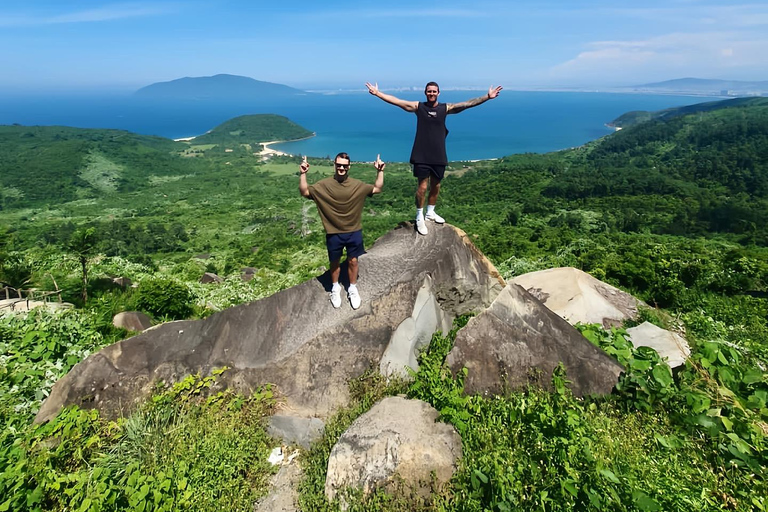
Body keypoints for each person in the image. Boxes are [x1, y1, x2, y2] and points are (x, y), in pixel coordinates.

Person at [365, 81, 502, 235]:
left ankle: (430, 212)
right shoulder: (419, 107)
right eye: (429, 91)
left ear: (438, 93)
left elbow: (466, 104)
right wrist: (378, 93)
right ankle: (419, 216)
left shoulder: (445, 108)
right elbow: (397, 102)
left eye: (434, 91)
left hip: (438, 154)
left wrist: (487, 97)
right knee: (422, 187)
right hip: (421, 154)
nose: (431, 94)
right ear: (425, 93)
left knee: (436, 186)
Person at [299, 152, 385, 309]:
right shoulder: (323, 185)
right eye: (339, 165)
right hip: (333, 232)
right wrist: (303, 173)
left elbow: (378, 188)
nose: (341, 168)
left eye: (344, 166)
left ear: (349, 167)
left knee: (353, 261)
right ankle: (335, 287)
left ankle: (352, 288)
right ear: (335, 165)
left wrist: (380, 171)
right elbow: (304, 192)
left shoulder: (357, 185)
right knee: (335, 262)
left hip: (354, 231)